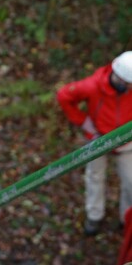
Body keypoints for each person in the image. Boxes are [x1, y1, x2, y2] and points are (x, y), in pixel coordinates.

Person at [57, 51, 132, 237]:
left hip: (127, 144)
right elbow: (64, 95)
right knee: (95, 177)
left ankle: (127, 219)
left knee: (131, 182)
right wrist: (82, 121)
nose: (127, 87)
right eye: (125, 83)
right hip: (99, 138)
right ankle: (94, 215)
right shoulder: (94, 86)